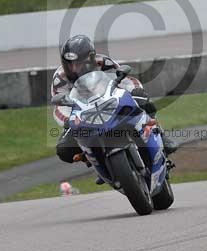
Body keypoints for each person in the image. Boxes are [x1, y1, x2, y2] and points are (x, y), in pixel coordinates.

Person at [52, 34, 177, 164]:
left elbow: (127, 81)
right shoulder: (60, 79)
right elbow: (60, 107)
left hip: (111, 103)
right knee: (64, 150)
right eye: (69, 64)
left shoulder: (105, 63)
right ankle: (94, 159)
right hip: (82, 115)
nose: (73, 68)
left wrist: (135, 92)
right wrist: (68, 120)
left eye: (78, 63)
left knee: (143, 100)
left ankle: (161, 135)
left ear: (91, 59)